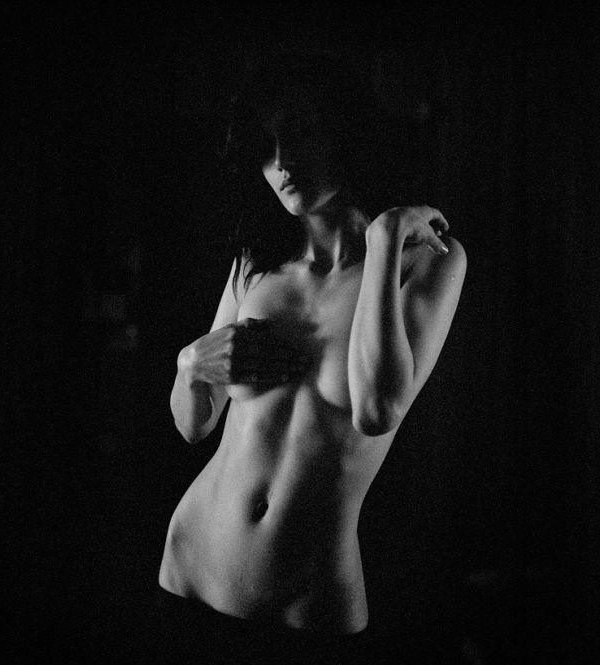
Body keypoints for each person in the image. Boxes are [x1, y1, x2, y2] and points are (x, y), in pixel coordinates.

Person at [157, 50, 466, 663]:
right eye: (265, 145)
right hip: (190, 569)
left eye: (298, 134)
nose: (281, 161)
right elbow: (194, 426)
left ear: (343, 132)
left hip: (311, 606)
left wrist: (382, 241)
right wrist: (190, 366)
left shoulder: (427, 259)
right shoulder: (255, 265)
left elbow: (377, 411)